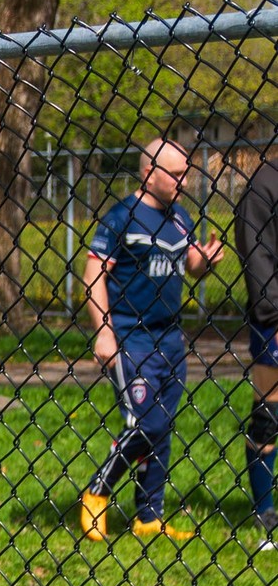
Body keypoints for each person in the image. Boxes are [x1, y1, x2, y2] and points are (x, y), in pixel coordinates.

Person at [79, 136, 225, 543]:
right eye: (175, 174)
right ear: (148, 172)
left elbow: (191, 265)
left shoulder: (180, 217)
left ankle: (148, 515)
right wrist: (104, 332)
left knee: (163, 428)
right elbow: (93, 277)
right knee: (146, 423)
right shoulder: (121, 217)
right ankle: (97, 491)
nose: (183, 181)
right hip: (130, 338)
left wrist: (206, 261)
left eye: (185, 173)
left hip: (170, 339)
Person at [235, 146, 278, 549]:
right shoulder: (263, 186)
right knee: (270, 410)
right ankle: (265, 513)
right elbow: (257, 257)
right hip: (276, 320)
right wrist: (273, 317)